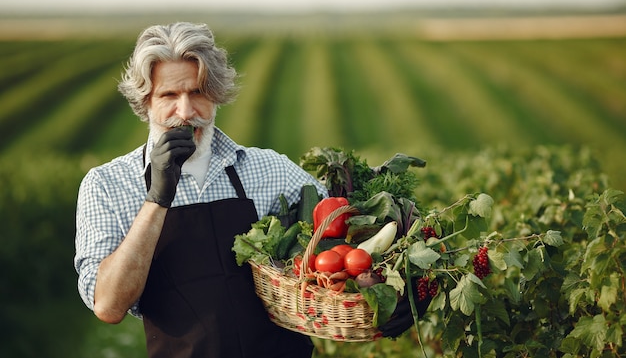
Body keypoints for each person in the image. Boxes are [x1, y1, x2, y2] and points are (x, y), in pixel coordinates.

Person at [74, 22, 416, 358]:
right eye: (169, 95)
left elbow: (346, 241)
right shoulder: (108, 184)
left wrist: (393, 295)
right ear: (146, 102)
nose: (186, 111)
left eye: (197, 92)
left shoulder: (268, 169)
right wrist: (157, 198)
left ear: (216, 95)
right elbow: (108, 305)